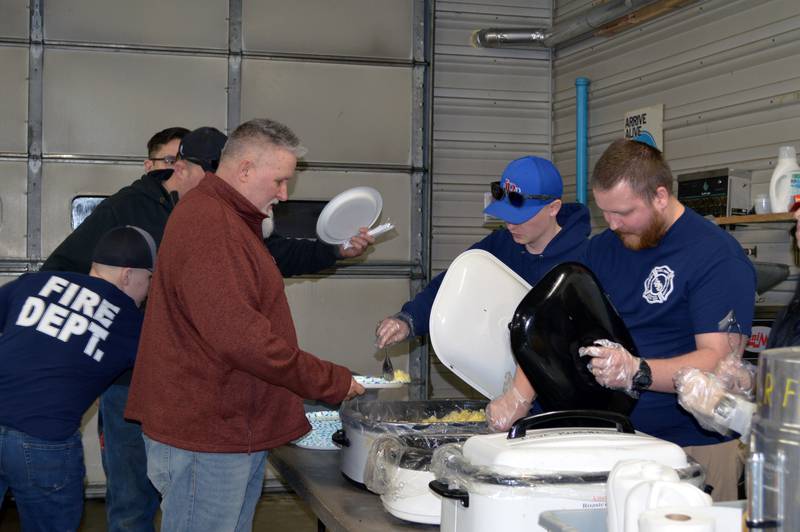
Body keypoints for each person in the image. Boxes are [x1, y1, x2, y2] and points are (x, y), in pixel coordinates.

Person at [40, 126, 374, 532]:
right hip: (207, 436)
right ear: (246, 169)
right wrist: (329, 381)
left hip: (225, 430)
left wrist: (334, 251)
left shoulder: (231, 221)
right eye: (281, 180)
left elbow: (263, 282)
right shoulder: (209, 225)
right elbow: (241, 338)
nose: (284, 194)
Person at [495, 139, 756, 501]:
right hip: (615, 442)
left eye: (624, 213)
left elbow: (718, 360)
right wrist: (518, 395)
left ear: (660, 196)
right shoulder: (603, 249)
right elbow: (555, 321)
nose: (614, 224)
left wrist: (637, 371)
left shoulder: (715, 256)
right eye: (606, 213)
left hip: (693, 447)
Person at [375, 155, 591, 424]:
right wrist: (409, 320)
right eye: (506, 216)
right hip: (506, 395)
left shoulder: (584, 260)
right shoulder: (501, 245)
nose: (511, 225)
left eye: (520, 217)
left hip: (565, 408)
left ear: (553, 207)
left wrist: (523, 397)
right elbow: (452, 284)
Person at [0, 225, 156, 531]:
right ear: (128, 275)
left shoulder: (38, 281)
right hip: (43, 441)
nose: (149, 288)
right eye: (148, 278)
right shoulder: (129, 320)